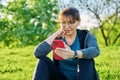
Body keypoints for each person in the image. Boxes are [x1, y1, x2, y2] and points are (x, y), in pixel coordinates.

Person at [32, 7, 100, 80]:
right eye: (63, 23)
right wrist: (54, 35)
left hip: (81, 76)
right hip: (60, 77)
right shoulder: (57, 37)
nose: (67, 27)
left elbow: (95, 50)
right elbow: (38, 53)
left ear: (79, 21)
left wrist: (74, 54)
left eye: (71, 22)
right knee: (42, 61)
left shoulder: (86, 36)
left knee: (87, 61)